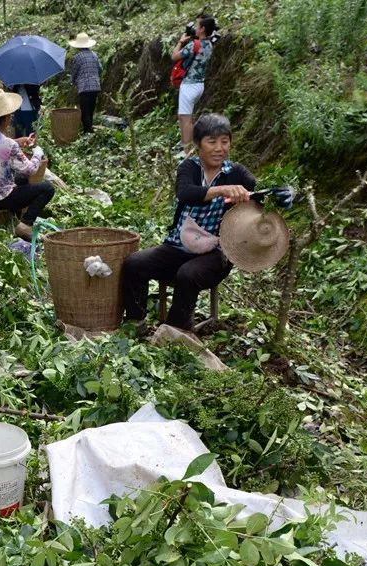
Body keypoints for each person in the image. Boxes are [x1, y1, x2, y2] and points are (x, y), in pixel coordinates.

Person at [122, 114, 254, 331]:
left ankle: (176, 330)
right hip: (179, 246)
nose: (219, 148)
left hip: (216, 254)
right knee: (134, 264)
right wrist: (221, 190)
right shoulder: (189, 168)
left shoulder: (236, 172)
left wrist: (283, 194)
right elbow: (186, 194)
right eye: (212, 142)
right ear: (198, 144)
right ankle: (136, 321)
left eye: (224, 141)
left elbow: (261, 191)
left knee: (188, 274)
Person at [0, 88, 54, 241]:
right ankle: (25, 225)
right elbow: (30, 169)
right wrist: (37, 153)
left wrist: (18, 142)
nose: (11, 116)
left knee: (21, 179)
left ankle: (13, 218)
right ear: (3, 119)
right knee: (47, 189)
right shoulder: (7, 144)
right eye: (9, 115)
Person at [172, 16, 217, 150]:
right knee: (188, 116)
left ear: (202, 29)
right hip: (199, 85)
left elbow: (174, 56)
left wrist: (180, 42)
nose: (195, 29)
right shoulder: (209, 44)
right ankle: (189, 144)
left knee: (184, 118)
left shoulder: (194, 45)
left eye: (197, 27)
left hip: (189, 86)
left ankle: (187, 151)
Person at [67, 32, 101, 134]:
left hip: (84, 88)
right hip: (95, 87)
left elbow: (74, 72)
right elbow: (100, 68)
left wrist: (72, 82)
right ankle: (90, 131)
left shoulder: (77, 57)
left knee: (85, 112)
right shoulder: (94, 55)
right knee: (90, 110)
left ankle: (88, 133)